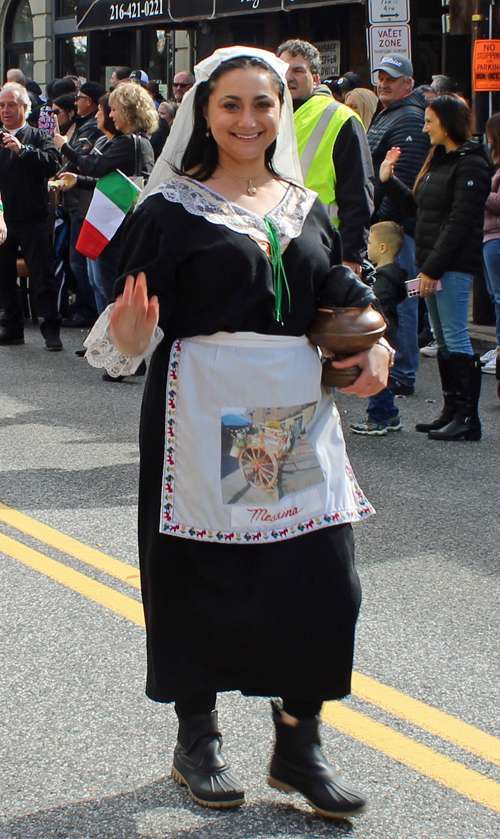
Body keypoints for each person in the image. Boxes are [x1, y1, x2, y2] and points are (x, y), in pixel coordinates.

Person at [84, 45, 391, 819]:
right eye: (233, 105)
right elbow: (126, 333)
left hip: (291, 416)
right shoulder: (170, 208)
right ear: (205, 113)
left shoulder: (300, 202)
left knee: (322, 575)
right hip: (201, 407)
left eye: (265, 103)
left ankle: (299, 742)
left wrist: (370, 342)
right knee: (202, 570)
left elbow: (337, 285)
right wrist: (127, 334)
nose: (250, 119)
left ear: (281, 110)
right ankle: (198, 736)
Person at [380, 94, 491, 441]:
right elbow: (421, 208)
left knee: (455, 335)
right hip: (432, 263)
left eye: (429, 121)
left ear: (447, 122)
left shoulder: (471, 163)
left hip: (449, 266)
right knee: (443, 338)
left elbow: (459, 222)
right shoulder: (439, 159)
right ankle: (451, 410)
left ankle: (468, 419)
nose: (424, 128)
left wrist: (433, 268)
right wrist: (388, 181)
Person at [56, 84, 156, 323]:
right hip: (118, 218)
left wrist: (65, 147)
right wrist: (78, 179)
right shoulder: (136, 141)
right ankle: (109, 338)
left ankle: (114, 341)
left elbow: (96, 168)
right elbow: (109, 181)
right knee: (101, 281)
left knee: (108, 284)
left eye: (114, 110)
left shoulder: (128, 142)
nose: (111, 115)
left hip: (117, 222)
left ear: (129, 111)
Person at [276, 39, 374, 276]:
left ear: (316, 78)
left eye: (298, 71)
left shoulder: (339, 117)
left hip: (324, 246)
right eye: (283, 70)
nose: (289, 77)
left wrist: (352, 256)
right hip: (277, 244)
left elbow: (358, 192)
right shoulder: (268, 114)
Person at [367, 54, 430, 397]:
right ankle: (399, 369)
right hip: (390, 228)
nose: (384, 83)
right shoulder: (392, 113)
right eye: (380, 77)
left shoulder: (407, 119)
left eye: (391, 78)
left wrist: (381, 223)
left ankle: (403, 372)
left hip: (398, 230)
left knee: (401, 302)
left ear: (409, 83)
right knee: (395, 300)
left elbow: (404, 183)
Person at [0, 82, 63, 350]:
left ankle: (51, 330)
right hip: (4, 218)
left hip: (33, 217)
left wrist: (21, 150)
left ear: (25, 107)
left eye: (11, 104)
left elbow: (52, 163)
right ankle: (13, 327)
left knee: (42, 275)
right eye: (2, 105)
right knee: (3, 275)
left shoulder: (38, 136)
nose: (6, 110)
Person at [56, 81, 105, 328]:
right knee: (78, 260)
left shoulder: (92, 129)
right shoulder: (81, 125)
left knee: (82, 260)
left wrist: (62, 145)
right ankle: (86, 309)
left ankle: (89, 312)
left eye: (81, 97)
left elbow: (82, 161)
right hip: (75, 201)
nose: (77, 101)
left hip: (83, 202)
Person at [350, 221, 406, 435]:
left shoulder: (383, 278)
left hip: (381, 332)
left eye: (369, 242)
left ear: (383, 248)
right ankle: (390, 415)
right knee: (385, 375)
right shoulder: (393, 273)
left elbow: (374, 301)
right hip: (389, 329)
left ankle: (377, 419)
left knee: (374, 374)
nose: (367, 246)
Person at [481, 112, 500, 373]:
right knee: (494, 296)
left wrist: (481, 191)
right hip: (489, 236)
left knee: (499, 297)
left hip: (496, 236)